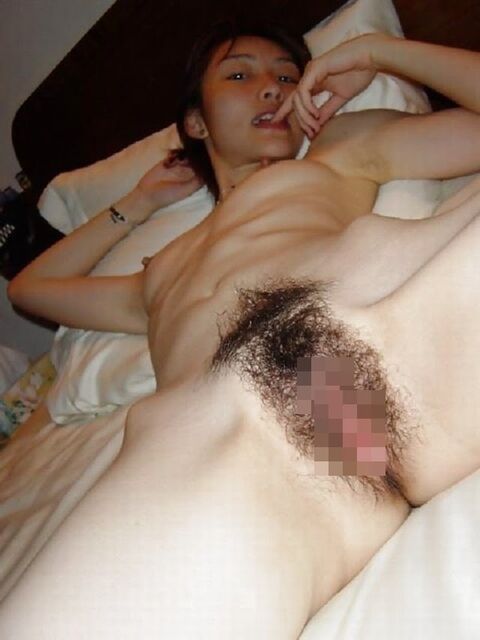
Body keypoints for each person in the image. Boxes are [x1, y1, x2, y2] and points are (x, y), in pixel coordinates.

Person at [2, 18, 480, 638]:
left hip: (412, 328)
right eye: (239, 75)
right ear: (196, 123)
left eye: (288, 75)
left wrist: (378, 52)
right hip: (234, 449)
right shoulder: (158, 275)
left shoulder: (340, 149)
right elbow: (29, 288)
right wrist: (138, 203)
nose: (272, 87)